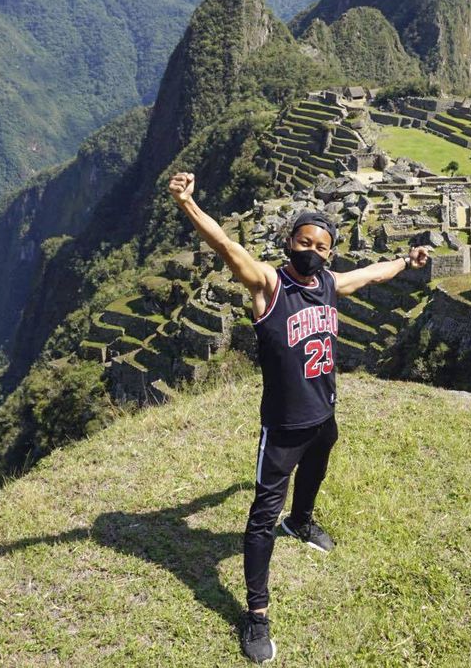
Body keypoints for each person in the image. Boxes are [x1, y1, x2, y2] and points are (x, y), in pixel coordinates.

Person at [167, 171, 429, 664]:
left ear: (330, 253)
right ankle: (257, 613)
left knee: (318, 466)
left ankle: (302, 522)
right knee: (261, 518)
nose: (313, 250)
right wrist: (188, 204)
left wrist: (406, 261)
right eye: (304, 241)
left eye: (322, 246)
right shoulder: (270, 284)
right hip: (284, 425)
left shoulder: (329, 283)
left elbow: (371, 274)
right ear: (290, 242)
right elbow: (225, 246)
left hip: (323, 413)